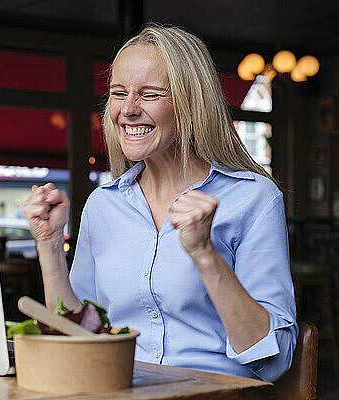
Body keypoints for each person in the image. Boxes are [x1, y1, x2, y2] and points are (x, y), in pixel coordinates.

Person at [23, 24, 297, 382]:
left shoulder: (253, 199)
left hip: (214, 392)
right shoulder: (103, 206)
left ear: (190, 104)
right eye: (118, 93)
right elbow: (80, 335)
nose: (128, 109)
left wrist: (205, 254)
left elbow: (274, 361)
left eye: (149, 94)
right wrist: (49, 246)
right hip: (120, 387)